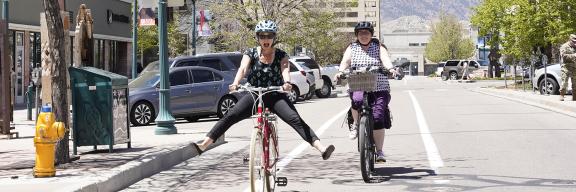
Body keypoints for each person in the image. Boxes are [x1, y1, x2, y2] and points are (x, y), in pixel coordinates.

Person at [193, 20, 335, 160]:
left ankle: (321, 148)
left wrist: (287, 83)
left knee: (295, 119)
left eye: (269, 36)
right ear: (258, 37)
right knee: (231, 115)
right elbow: (242, 69)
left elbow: (285, 69)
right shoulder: (251, 53)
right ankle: (204, 144)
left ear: (274, 37)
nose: (266, 39)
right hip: (255, 94)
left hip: (275, 95)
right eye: (262, 36)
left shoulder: (281, 55)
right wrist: (235, 83)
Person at [335, 21, 395, 163]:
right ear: (357, 35)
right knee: (356, 100)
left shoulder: (378, 47)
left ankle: (379, 151)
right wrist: (340, 72)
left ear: (371, 34)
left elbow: (385, 59)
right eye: (360, 33)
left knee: (378, 117)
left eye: (366, 33)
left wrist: (390, 69)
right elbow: (345, 62)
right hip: (358, 83)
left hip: (379, 86)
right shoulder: (352, 47)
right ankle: (356, 124)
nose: (363, 35)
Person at [559, 34, 576, 101]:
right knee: (564, 81)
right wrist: (573, 55)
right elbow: (563, 56)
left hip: (574, 66)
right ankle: (562, 95)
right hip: (566, 66)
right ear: (570, 40)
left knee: (575, 82)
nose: (575, 43)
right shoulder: (564, 46)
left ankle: (574, 97)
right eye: (573, 41)